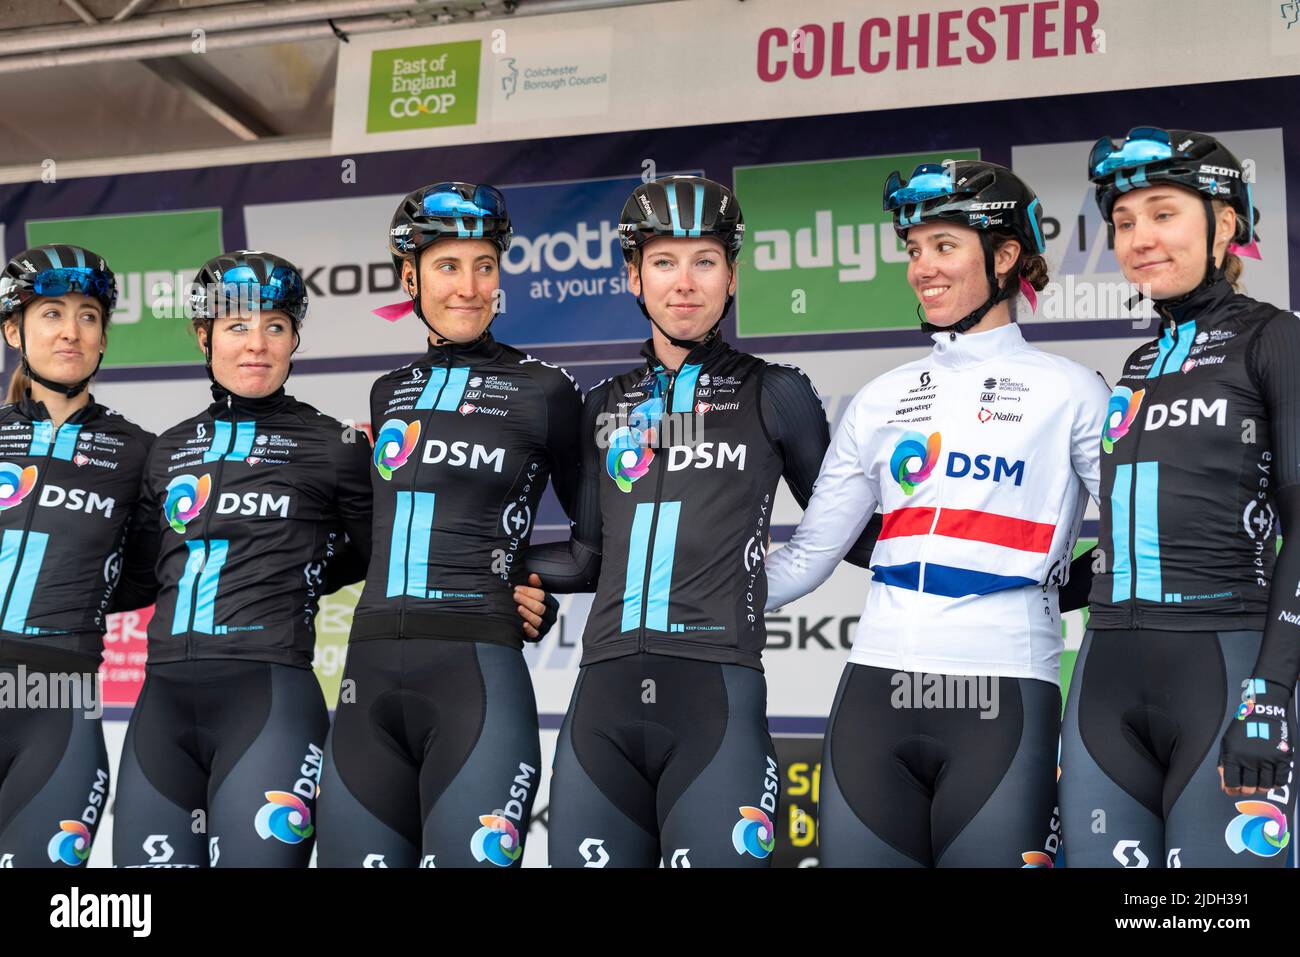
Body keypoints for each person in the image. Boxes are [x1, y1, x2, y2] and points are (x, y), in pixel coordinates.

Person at [758, 161, 1108, 867]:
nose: (922, 268)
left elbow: (1141, 542)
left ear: (1005, 255)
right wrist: (667, 598)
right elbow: (804, 559)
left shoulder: (1072, 392)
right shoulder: (881, 398)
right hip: (873, 692)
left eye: (944, 246)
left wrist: (1067, 585)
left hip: (1005, 689)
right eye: (914, 250)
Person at [528, 174, 875, 868]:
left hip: (716, 692)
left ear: (733, 276)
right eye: (663, 261)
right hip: (603, 698)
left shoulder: (778, 393)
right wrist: (501, 575)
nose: (684, 282)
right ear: (634, 277)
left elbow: (850, 533)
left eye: (705, 260)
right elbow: (590, 558)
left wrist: (959, 545)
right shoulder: (601, 406)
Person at [315, 182, 577, 869]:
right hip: (367, 674)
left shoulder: (545, 390)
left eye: (484, 265)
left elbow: (600, 539)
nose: (468, 286)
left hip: (477, 675)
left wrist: (531, 579)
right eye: (447, 266)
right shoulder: (388, 389)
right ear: (411, 276)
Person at [1060, 127, 1299, 868]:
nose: (1139, 238)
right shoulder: (1138, 362)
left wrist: (1270, 694)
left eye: (1163, 213)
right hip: (1103, 676)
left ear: (1224, 223)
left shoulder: (1275, 339)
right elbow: (1143, 533)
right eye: (1125, 221)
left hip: (1223, 669)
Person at [110, 251, 372, 868]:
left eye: (275, 327)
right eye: (235, 327)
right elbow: (142, 574)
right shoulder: (167, 448)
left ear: (294, 339)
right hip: (161, 705)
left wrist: (298, 573)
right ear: (203, 336)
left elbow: (377, 556)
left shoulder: (335, 446)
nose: (256, 344)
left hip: (269, 697)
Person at [0, 245, 153, 868]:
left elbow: (145, 573)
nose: (71, 330)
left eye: (88, 315)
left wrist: (80, 591)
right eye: (51, 313)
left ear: (103, 337)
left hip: (57, 699)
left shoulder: (138, 451)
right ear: (14, 330)